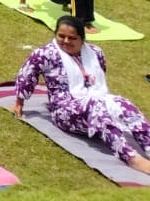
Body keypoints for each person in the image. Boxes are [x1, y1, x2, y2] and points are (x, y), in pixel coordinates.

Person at [14, 15, 150, 174]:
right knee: (96, 107)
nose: (66, 41)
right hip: (65, 111)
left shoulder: (96, 53)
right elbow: (27, 75)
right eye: (61, 36)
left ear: (82, 39)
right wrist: (19, 103)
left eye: (72, 38)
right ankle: (130, 157)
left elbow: (99, 80)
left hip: (96, 100)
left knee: (123, 103)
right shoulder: (45, 54)